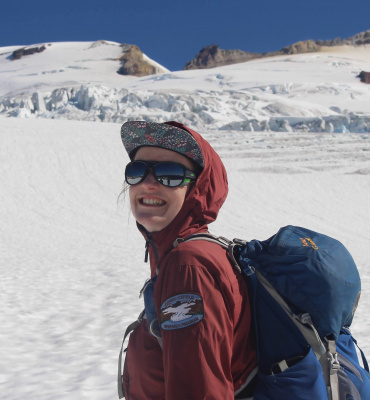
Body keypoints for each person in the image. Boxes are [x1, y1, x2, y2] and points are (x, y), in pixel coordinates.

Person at [119, 120, 257, 400]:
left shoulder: (188, 267)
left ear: (198, 191)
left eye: (169, 174)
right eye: (137, 171)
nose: (147, 183)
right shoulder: (186, 254)